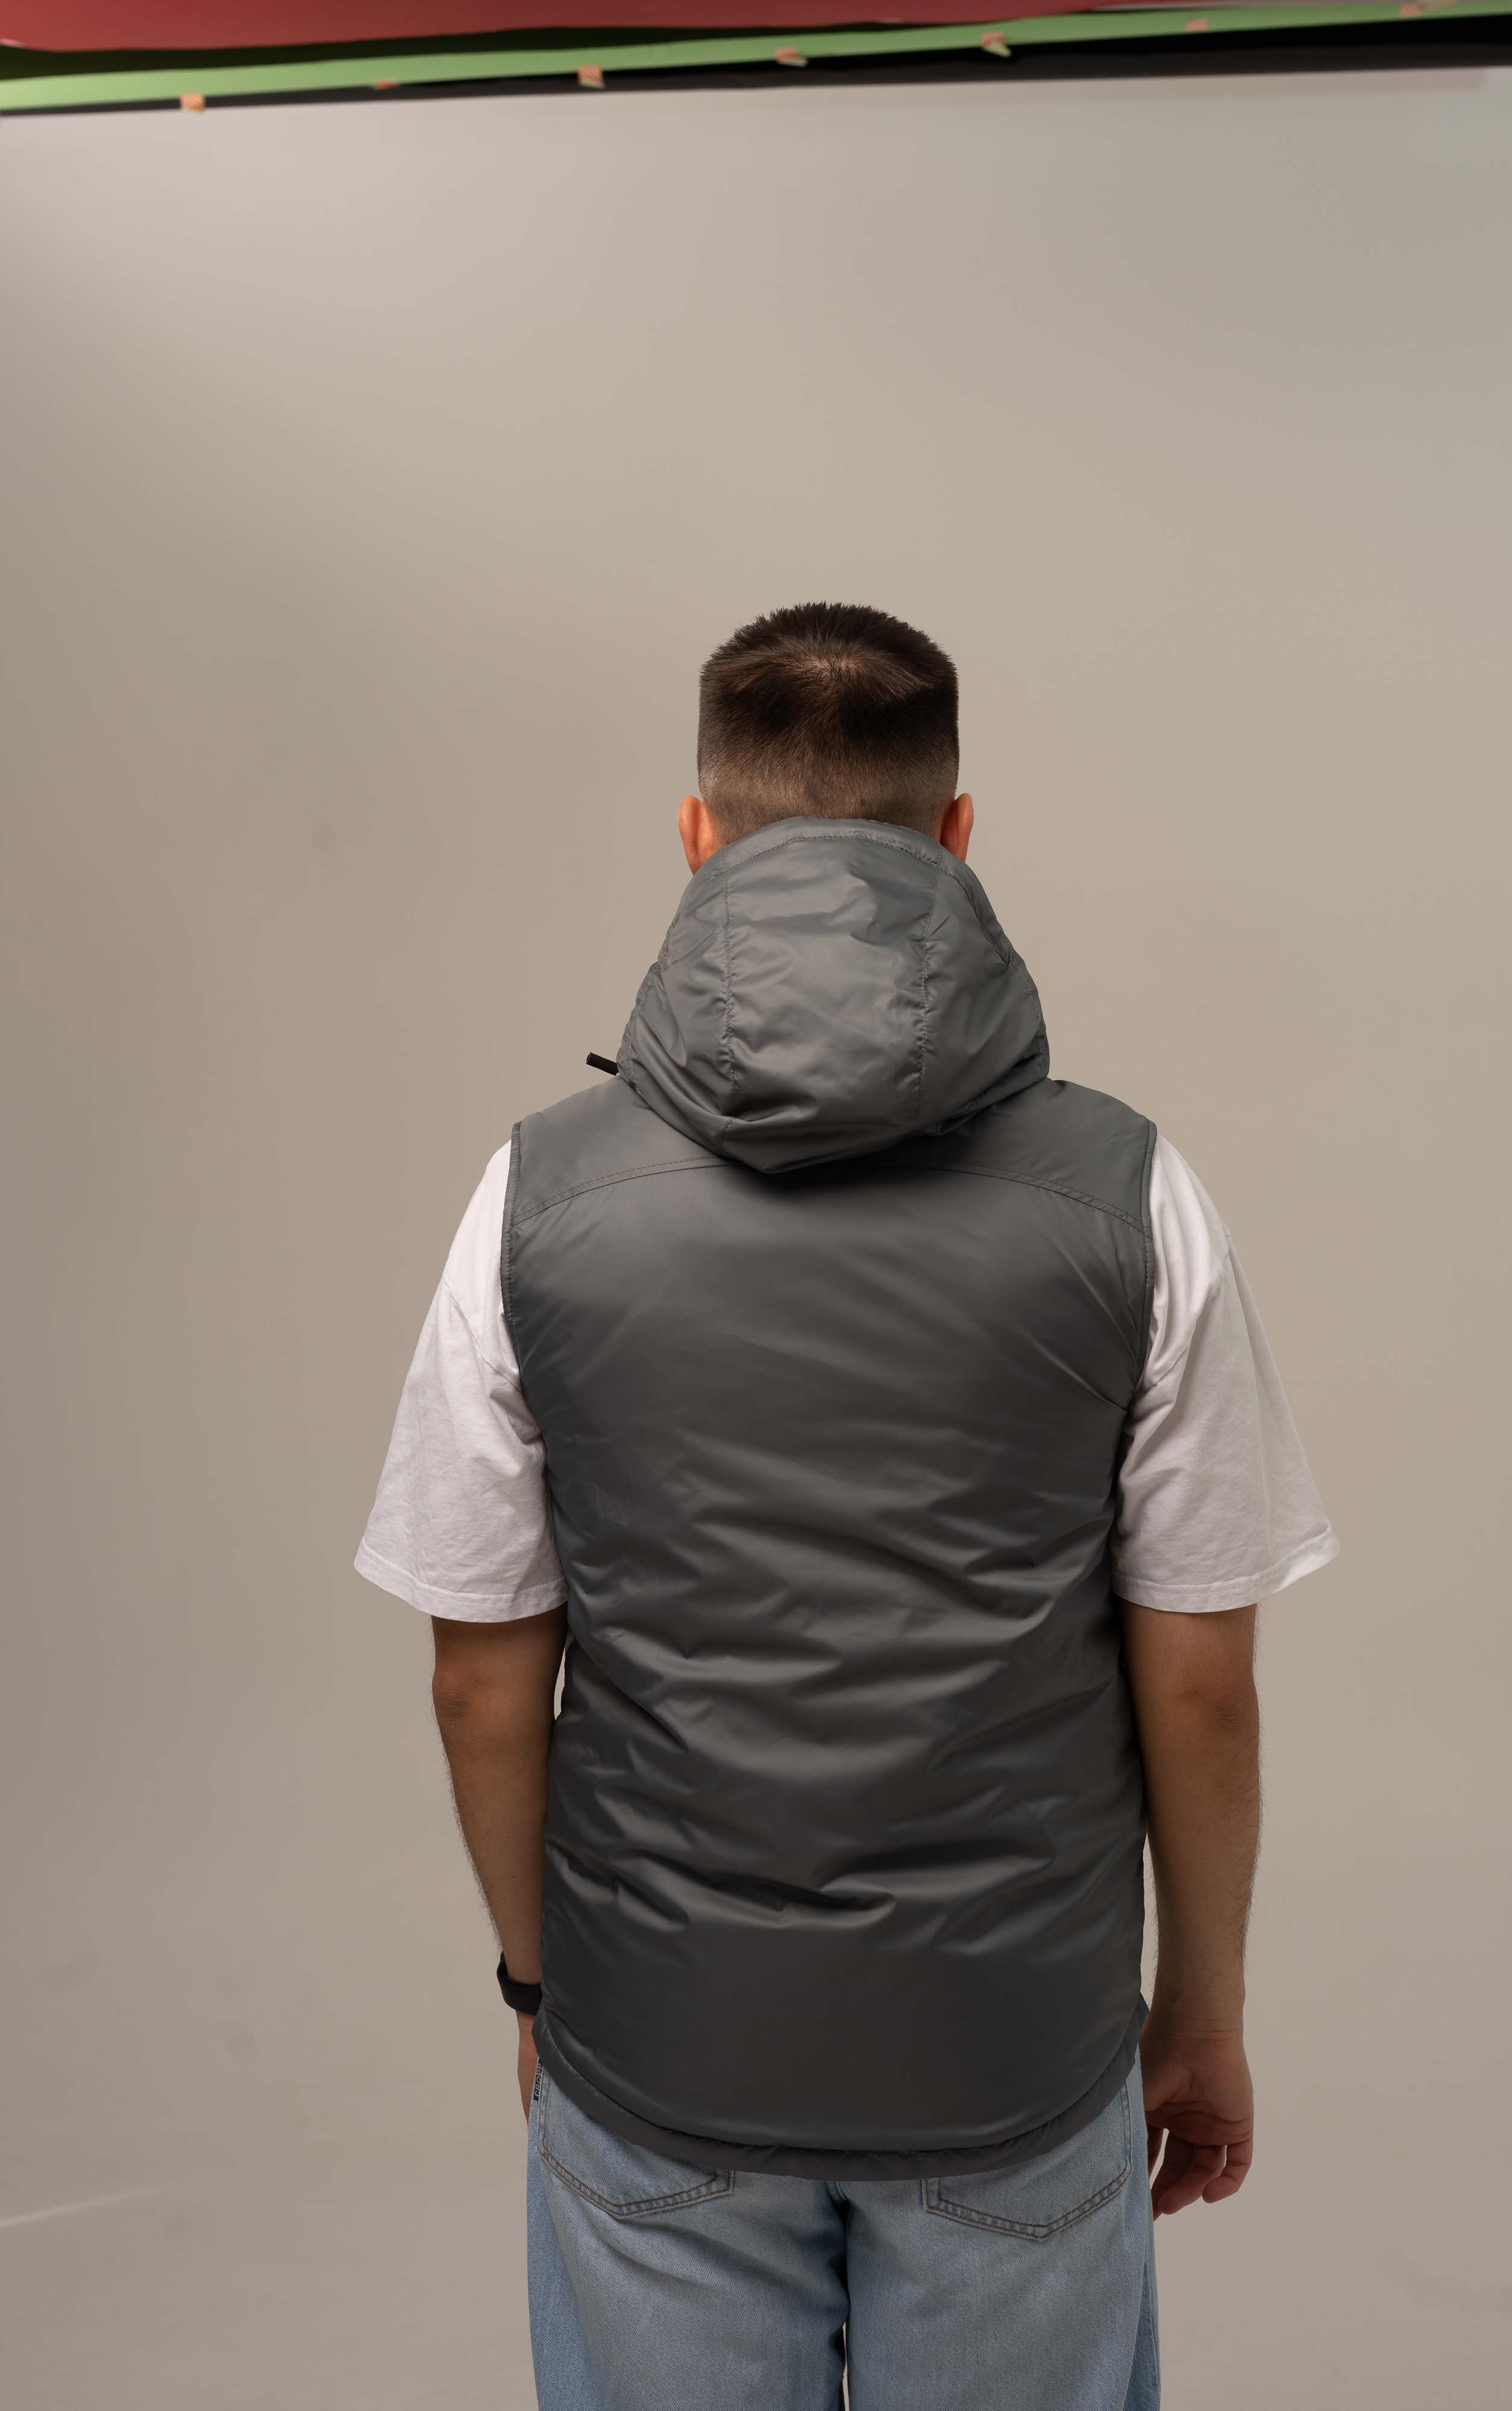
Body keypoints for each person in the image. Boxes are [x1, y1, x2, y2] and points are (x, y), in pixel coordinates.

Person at [356, 602, 1337, 2411]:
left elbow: (480, 1679)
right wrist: (1197, 2015)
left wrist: (548, 1999)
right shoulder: (1132, 1195)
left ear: (696, 834)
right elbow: (1200, 1679)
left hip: (661, 2045)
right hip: (1012, 2054)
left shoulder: (533, 1201)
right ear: (958, 833)